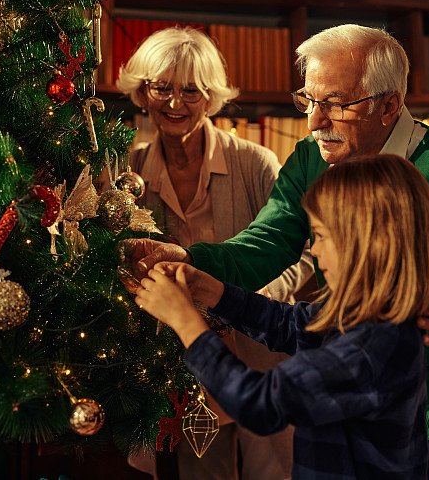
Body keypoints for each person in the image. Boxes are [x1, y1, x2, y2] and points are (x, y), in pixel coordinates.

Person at [121, 24, 429, 479]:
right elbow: (269, 247)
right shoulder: (312, 157)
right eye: (309, 100)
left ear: (389, 103)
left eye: (334, 103)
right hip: (357, 420)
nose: (314, 120)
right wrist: (194, 264)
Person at [134, 154, 429, 479]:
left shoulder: (371, 346)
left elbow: (259, 403)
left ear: (366, 243)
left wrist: (185, 322)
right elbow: (288, 324)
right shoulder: (369, 318)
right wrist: (209, 289)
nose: (314, 251)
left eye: (320, 235)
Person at [115, 25, 313, 480]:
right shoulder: (128, 173)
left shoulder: (256, 162)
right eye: (161, 88)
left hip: (263, 357)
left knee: (276, 473)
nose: (174, 103)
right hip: (181, 363)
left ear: (212, 97)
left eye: (191, 90)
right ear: (142, 93)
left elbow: (303, 252)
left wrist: (248, 301)